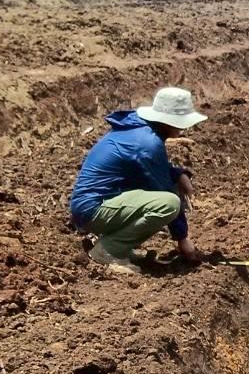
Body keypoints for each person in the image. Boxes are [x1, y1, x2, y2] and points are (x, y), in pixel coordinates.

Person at [70, 86, 206, 274]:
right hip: (93, 209)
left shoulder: (140, 130)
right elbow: (164, 188)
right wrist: (182, 238)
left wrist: (179, 174)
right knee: (169, 203)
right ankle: (108, 250)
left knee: (165, 199)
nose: (185, 127)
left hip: (98, 203)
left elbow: (153, 169)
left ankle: (119, 247)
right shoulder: (147, 143)